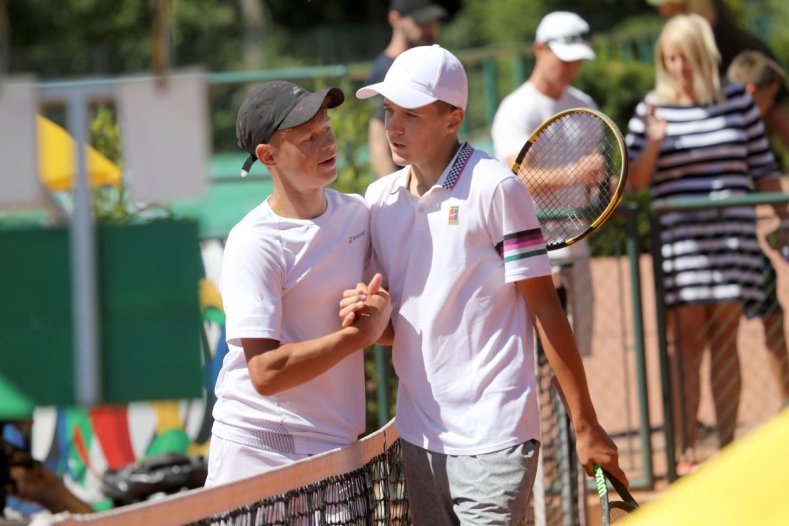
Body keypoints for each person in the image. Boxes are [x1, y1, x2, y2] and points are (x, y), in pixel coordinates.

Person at [345, 44, 626, 525]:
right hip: (417, 440)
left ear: (452, 119)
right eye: (389, 111)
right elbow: (400, 323)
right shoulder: (379, 199)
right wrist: (371, 317)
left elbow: (546, 312)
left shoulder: (497, 189)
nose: (393, 126)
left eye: (410, 114)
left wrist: (587, 425)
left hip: (496, 437)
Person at [205, 81, 392, 487]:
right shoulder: (254, 241)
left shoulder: (357, 216)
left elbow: (385, 329)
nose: (326, 142)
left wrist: (377, 312)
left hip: (338, 453)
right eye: (308, 138)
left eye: (326, 129)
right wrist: (359, 336)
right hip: (256, 455)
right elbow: (266, 373)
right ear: (268, 156)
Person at [625, 14, 787, 472]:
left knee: (726, 341)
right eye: (669, 58)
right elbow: (636, 183)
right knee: (686, 345)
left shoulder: (737, 101)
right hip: (681, 245)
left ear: (704, 55)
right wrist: (654, 144)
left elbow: (762, 166)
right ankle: (684, 449)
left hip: (733, 241)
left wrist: (784, 218)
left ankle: (729, 448)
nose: (678, 67)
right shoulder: (651, 109)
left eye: (685, 57)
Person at [491, 11, 597, 357]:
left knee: (573, 357)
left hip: (576, 250)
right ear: (539, 49)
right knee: (535, 358)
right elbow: (518, 176)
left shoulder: (585, 106)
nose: (570, 68)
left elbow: (596, 174)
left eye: (577, 60)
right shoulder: (515, 108)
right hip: (532, 254)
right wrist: (575, 174)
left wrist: (599, 179)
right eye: (563, 58)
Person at [727, 50, 789, 408]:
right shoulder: (743, 126)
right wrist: (783, 221)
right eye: (767, 99)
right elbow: (765, 177)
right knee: (769, 319)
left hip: (740, 241)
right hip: (737, 248)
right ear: (752, 92)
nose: (767, 109)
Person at [647, 0, 789, 152]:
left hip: (753, 69)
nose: (661, 11)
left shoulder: (700, 19)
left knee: (775, 116)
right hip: (738, 71)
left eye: (665, 5)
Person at [364, 0, 446, 179]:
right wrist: (396, 198)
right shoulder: (384, 71)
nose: (429, 28)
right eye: (420, 21)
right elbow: (378, 147)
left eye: (432, 21)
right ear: (395, 19)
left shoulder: (433, 64)